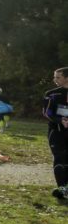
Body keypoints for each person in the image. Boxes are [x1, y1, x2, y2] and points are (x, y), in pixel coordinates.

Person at [44, 67, 68, 200]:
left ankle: (66, 188)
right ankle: (62, 189)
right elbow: (46, 112)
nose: (55, 80)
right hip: (56, 131)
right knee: (59, 158)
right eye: (54, 77)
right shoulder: (51, 93)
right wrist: (60, 120)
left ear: (67, 78)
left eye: (58, 77)